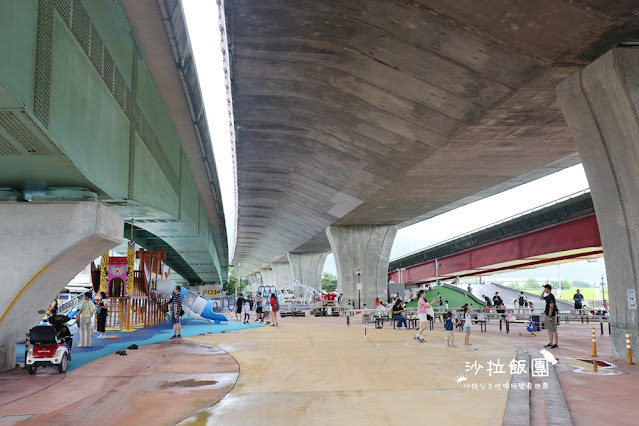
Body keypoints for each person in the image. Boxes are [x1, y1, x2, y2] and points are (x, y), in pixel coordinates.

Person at [541, 284, 559, 349]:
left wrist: (549, 316)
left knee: (554, 330)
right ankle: (551, 343)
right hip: (547, 314)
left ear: (548, 289)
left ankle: (556, 343)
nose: (544, 289)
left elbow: (551, 307)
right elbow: (541, 298)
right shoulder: (548, 296)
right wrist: (543, 292)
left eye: (545, 288)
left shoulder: (551, 297)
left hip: (551, 315)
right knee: (550, 330)